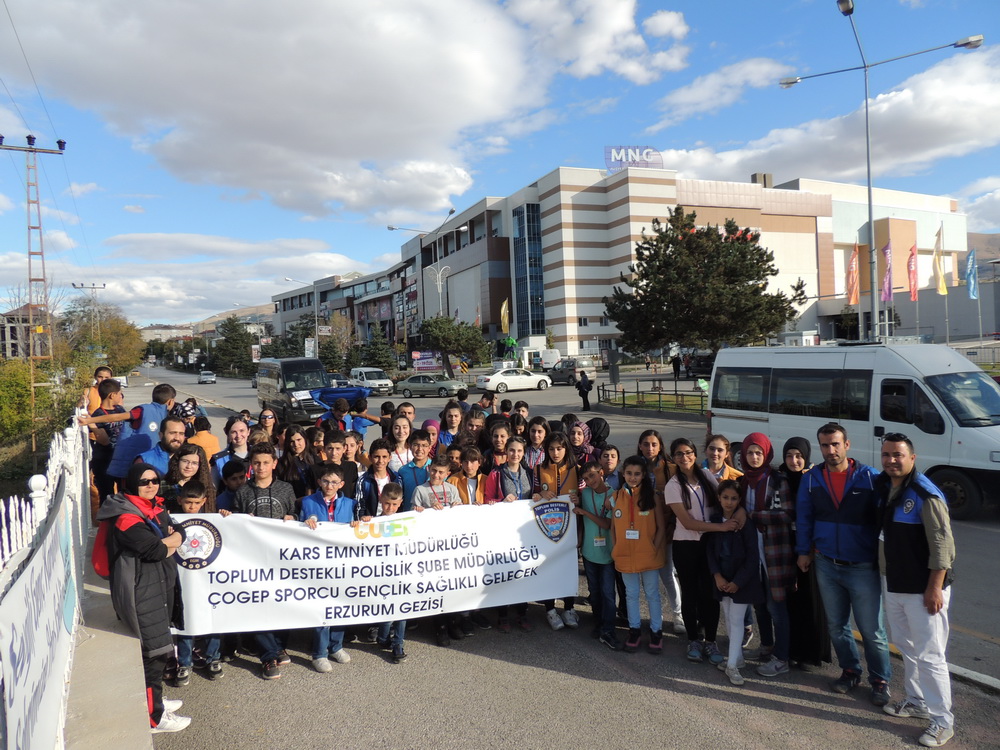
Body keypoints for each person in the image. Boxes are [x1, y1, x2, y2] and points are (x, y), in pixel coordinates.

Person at [796, 422, 891, 706]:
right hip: (826, 563)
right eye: (825, 445)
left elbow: (886, 516)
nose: (830, 450)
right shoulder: (811, 479)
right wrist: (804, 552)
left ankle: (880, 680)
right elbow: (804, 519)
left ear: (847, 445)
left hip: (862, 566)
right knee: (837, 626)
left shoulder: (870, 478)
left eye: (835, 444)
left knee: (872, 631)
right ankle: (850, 671)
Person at [95, 463, 189, 733]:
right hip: (142, 591)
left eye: (155, 480)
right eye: (144, 481)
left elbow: (177, 528)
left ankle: (155, 701)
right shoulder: (126, 517)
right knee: (155, 654)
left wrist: (174, 538)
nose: (151, 485)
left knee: (159, 648)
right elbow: (153, 551)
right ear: (132, 485)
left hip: (157, 586)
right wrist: (173, 542)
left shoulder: (153, 508)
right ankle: (154, 718)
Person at [877, 435, 956, 748]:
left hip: (922, 590)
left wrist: (934, 587)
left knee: (930, 655)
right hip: (895, 583)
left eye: (897, 455)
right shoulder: (887, 486)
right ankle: (916, 700)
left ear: (912, 457)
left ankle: (942, 721)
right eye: (886, 455)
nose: (891, 460)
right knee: (907, 646)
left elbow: (943, 546)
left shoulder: (925, 493)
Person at [665, 437, 740, 665]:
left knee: (710, 593)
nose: (684, 457)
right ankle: (693, 640)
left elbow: (726, 499)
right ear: (673, 458)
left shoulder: (707, 476)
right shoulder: (673, 486)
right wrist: (721, 527)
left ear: (695, 454)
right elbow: (687, 523)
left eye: (688, 452)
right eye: (679, 454)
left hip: (709, 543)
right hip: (685, 545)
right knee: (689, 593)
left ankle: (710, 640)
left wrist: (738, 516)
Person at [233, 444, 297, 680]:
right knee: (257, 606)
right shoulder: (242, 492)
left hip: (282, 559)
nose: (261, 467)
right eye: (256, 462)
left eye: (265, 462)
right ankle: (268, 656)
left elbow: (296, 519)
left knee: (283, 604)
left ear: (274, 463)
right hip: (253, 561)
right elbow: (233, 527)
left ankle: (279, 645)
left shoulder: (286, 489)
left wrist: (293, 518)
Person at [738, 433, 795, 679]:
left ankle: (782, 658)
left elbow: (786, 514)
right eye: (750, 453)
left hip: (774, 551)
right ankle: (766, 647)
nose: (753, 457)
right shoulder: (742, 481)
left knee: (776, 606)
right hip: (751, 549)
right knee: (759, 603)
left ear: (767, 454)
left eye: (758, 453)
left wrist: (754, 516)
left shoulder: (777, 480)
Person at [777, 437, 831, 670]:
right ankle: (791, 650)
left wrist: (808, 549)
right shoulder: (778, 478)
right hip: (783, 544)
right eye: (789, 455)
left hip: (808, 546)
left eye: (799, 456)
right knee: (789, 600)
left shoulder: (814, 480)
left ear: (806, 457)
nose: (794, 461)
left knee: (810, 598)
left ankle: (810, 653)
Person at [164, 481, 223, 685]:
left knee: (212, 616)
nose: (192, 506)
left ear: (204, 501)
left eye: (196, 502)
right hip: (183, 578)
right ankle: (185, 662)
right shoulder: (172, 519)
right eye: (188, 502)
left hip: (208, 579)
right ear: (180, 500)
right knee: (186, 619)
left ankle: (213, 658)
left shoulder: (214, 519)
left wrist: (228, 519)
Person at [706, 479, 764, 686]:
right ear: (719, 498)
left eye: (733, 498)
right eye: (725, 498)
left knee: (737, 620)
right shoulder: (715, 520)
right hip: (722, 579)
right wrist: (717, 576)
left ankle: (731, 665)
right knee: (729, 618)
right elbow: (711, 552)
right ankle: (736, 658)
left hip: (742, 582)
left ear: (739, 499)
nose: (729, 502)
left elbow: (752, 556)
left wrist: (738, 581)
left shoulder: (746, 524)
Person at [300, 464, 355, 671]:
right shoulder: (308, 502)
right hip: (319, 564)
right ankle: (319, 652)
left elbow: (354, 527)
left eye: (334, 482)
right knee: (322, 608)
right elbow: (298, 527)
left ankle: (336, 645)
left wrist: (357, 524)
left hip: (341, 563)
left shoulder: (349, 503)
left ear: (341, 484)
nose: (329, 485)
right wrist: (305, 521)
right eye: (325, 481)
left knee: (340, 605)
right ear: (319, 482)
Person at [610, 455, 665, 653]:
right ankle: (634, 630)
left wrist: (653, 548)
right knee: (631, 594)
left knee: (652, 594)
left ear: (643, 475)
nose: (633, 477)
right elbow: (613, 527)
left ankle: (656, 632)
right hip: (624, 555)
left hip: (648, 555)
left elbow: (661, 527)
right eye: (629, 473)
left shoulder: (653, 497)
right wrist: (615, 549)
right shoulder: (616, 497)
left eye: (637, 474)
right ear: (623, 474)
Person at [81, 383, 177, 487]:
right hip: (130, 465)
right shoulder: (144, 410)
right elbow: (117, 417)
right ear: (171, 401)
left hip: (147, 464)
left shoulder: (164, 415)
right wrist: (90, 420)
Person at [637, 429, 683, 634]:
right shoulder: (634, 468)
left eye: (654, 444)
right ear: (640, 446)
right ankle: (657, 616)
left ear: (661, 446)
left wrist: (672, 524)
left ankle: (678, 615)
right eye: (646, 444)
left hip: (668, 530)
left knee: (668, 574)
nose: (650, 448)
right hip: (643, 531)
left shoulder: (671, 469)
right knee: (649, 577)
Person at [576, 461, 619, 650]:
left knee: (608, 593)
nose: (589, 481)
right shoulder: (584, 494)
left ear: (601, 473)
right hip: (588, 551)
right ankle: (598, 623)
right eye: (585, 478)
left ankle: (609, 628)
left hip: (608, 553)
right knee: (595, 592)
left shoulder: (613, 495)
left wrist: (584, 511)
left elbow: (607, 524)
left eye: (592, 476)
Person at [363, 483, 409, 662]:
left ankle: (398, 643)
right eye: (387, 504)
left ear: (401, 503)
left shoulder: (406, 521)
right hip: (381, 575)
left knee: (402, 610)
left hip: (401, 572)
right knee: (387, 611)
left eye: (395, 504)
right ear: (381, 500)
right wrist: (363, 523)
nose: (390, 508)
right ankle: (383, 638)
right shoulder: (373, 522)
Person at [88, 377, 127, 504]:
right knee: (106, 496)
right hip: (104, 461)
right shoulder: (98, 415)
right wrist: (93, 425)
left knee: (125, 494)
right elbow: (104, 440)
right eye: (119, 393)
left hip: (121, 459)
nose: (121, 396)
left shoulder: (120, 410)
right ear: (112, 395)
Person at [355, 439, 400, 519]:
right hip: (372, 524)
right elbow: (360, 506)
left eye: (384, 457)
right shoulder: (364, 480)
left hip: (393, 522)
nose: (380, 461)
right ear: (370, 458)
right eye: (376, 457)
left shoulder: (396, 478)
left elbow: (401, 503)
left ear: (390, 458)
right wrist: (362, 518)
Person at [162, 444, 215, 509]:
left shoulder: (207, 487)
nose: (189, 466)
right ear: (177, 461)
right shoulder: (162, 485)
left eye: (194, 463)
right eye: (185, 461)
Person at [483, 436, 532, 503]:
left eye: (519, 451)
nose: (515, 454)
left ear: (524, 453)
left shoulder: (529, 472)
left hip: (526, 512)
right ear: (506, 451)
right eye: (512, 450)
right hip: (505, 512)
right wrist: (503, 501)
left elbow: (537, 494)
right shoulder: (496, 474)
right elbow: (487, 500)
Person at [210, 417, 251, 488]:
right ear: (228, 434)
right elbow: (214, 488)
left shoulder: (258, 453)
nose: (238, 435)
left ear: (248, 432)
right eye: (233, 432)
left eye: (242, 431)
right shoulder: (218, 459)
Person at [398, 429, 433, 512]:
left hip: (431, 513)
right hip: (410, 514)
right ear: (410, 446)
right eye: (416, 445)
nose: (420, 449)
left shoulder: (436, 468)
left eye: (424, 445)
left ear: (429, 448)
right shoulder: (403, 470)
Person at [276, 424, 315, 498]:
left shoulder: (315, 459)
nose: (296, 444)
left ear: (305, 439)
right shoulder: (282, 463)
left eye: (299, 440)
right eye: (291, 441)